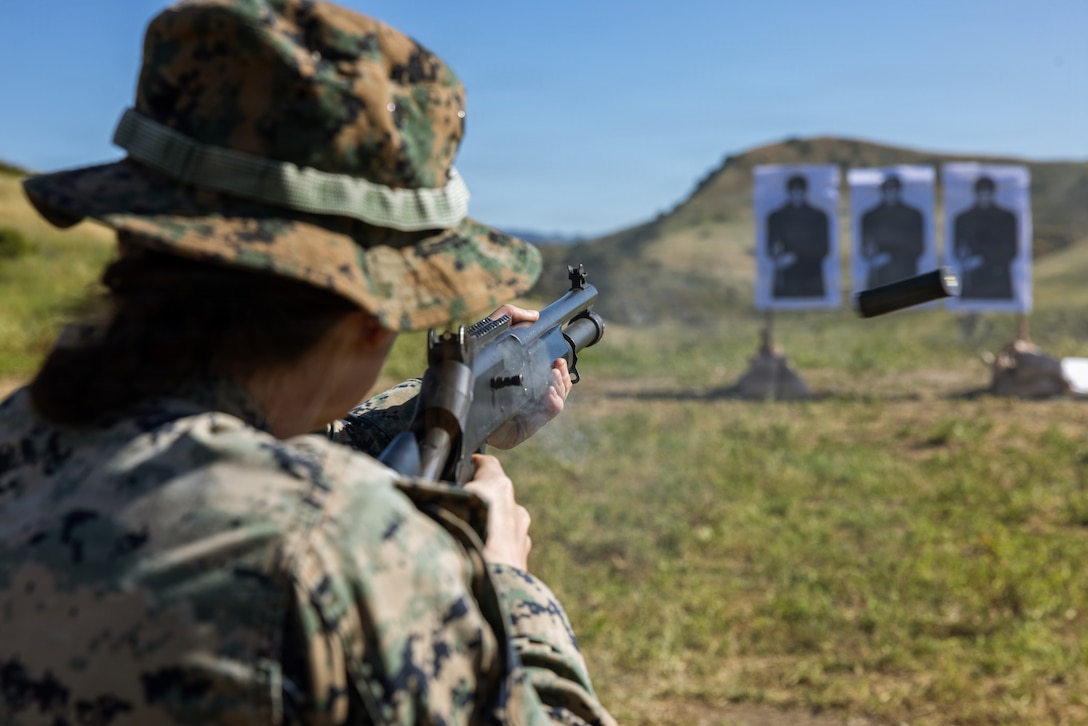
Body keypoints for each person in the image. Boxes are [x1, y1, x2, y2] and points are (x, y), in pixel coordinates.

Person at [0, 2, 616, 724]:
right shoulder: (334, 549)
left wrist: (445, 405)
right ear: (368, 314)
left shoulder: (22, 439)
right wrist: (505, 586)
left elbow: (247, 435)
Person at [952, 175, 1018, 300]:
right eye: (981, 192)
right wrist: (965, 259)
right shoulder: (963, 218)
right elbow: (957, 250)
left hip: (998, 279)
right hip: (973, 280)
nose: (984, 196)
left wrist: (984, 259)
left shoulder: (1006, 218)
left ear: (992, 193)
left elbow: (1011, 250)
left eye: (986, 192)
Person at [765, 174, 830, 298]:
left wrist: (796, 256)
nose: (796, 195)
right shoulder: (777, 217)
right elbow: (770, 246)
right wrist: (777, 257)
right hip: (787, 280)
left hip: (811, 278)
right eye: (793, 191)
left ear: (804, 192)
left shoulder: (818, 217)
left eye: (799, 191)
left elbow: (824, 248)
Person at [859, 174, 924, 288]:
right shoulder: (870, 216)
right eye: (887, 190)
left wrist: (890, 257)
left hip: (905, 272)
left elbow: (918, 246)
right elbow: (865, 245)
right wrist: (870, 255)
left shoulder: (913, 215)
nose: (891, 193)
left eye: (894, 189)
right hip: (879, 275)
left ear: (899, 191)